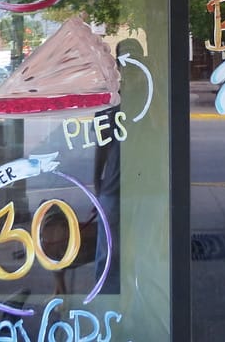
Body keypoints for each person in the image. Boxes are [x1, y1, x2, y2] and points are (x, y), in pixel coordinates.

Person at [92, 37, 145, 294]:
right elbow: (101, 145)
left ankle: (143, 296)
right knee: (108, 251)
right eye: (126, 58)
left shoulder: (150, 95)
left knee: (145, 249)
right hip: (114, 185)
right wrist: (97, 181)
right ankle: (107, 299)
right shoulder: (111, 100)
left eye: (135, 58)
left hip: (146, 186)